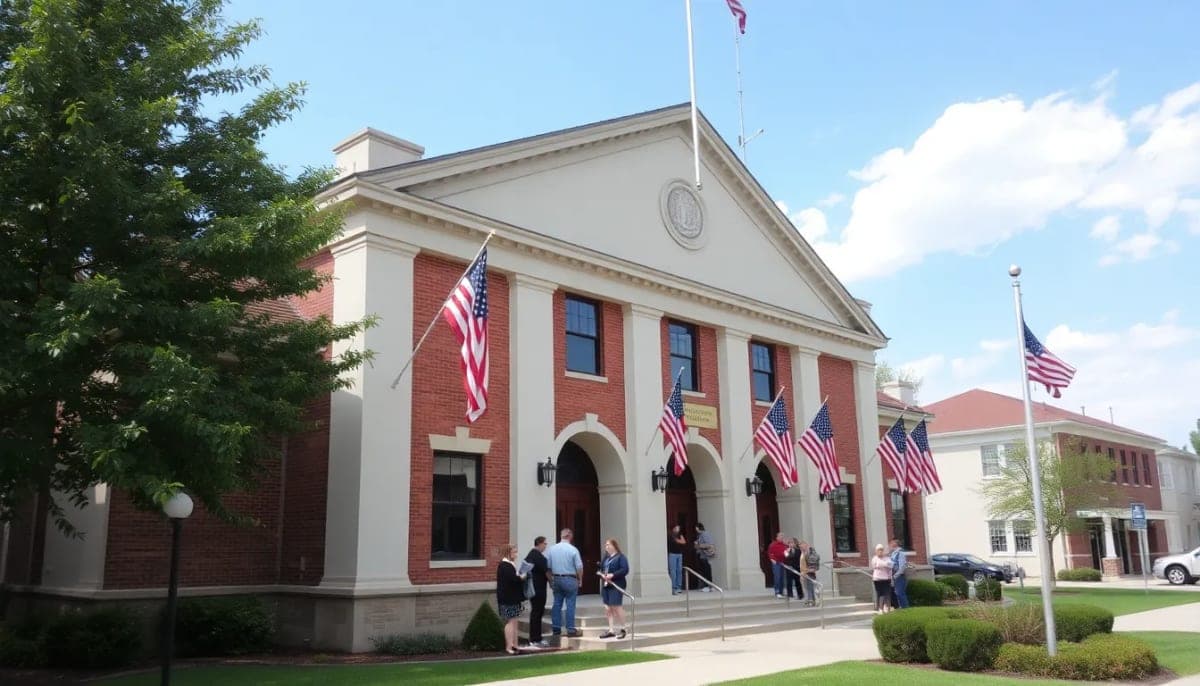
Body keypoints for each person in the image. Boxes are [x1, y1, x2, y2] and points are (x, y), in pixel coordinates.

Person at [546, 528, 583, 638]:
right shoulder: (573, 549)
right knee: (570, 604)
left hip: (556, 578)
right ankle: (570, 629)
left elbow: (547, 568)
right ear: (570, 536)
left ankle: (556, 628)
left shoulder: (552, 549)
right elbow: (579, 567)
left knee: (557, 604)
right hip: (570, 578)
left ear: (561, 536)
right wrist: (580, 579)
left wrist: (550, 580)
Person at [496, 543, 529, 655]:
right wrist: (522, 577)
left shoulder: (510, 565)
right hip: (507, 598)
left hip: (513, 597)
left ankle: (515, 644)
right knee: (510, 621)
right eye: (514, 552)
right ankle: (509, 646)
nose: (516, 554)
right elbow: (513, 580)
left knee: (515, 621)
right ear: (508, 553)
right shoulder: (505, 565)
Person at [598, 538, 630, 639]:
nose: (606, 546)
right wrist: (602, 574)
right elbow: (602, 569)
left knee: (616, 606)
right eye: (606, 545)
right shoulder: (606, 558)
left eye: (608, 544)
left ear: (614, 546)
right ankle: (611, 630)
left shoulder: (621, 557)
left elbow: (625, 569)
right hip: (606, 584)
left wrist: (613, 575)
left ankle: (624, 628)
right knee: (607, 607)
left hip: (616, 584)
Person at [524, 536, 550, 647]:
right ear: (539, 543)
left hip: (532, 589)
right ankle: (535, 639)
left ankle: (536, 637)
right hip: (538, 589)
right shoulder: (538, 556)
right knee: (537, 613)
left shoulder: (530, 555)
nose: (546, 546)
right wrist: (552, 583)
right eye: (545, 544)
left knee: (536, 612)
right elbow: (547, 571)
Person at [870, 543, 894, 613]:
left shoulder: (887, 558)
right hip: (877, 579)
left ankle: (887, 608)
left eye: (881, 550)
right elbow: (874, 566)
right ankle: (880, 608)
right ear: (876, 551)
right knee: (880, 594)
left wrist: (883, 565)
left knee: (887, 593)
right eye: (878, 550)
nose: (880, 551)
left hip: (886, 578)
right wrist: (885, 564)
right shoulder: (874, 558)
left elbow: (891, 565)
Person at [693, 523, 716, 591]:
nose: (695, 529)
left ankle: (709, 586)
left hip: (706, 556)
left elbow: (709, 544)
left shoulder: (705, 534)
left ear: (698, 528)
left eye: (696, 527)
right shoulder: (700, 535)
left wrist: (699, 545)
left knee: (707, 571)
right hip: (702, 556)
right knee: (703, 572)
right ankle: (705, 586)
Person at [888, 539, 909, 609]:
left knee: (900, 593)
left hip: (899, 577)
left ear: (895, 544)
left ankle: (906, 609)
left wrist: (895, 576)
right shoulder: (893, 553)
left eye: (891, 543)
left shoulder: (901, 553)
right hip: (893, 576)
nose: (889, 545)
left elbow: (902, 567)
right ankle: (900, 608)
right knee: (895, 594)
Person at [767, 532, 789, 599]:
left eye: (783, 536)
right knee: (777, 577)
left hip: (783, 563)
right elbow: (770, 553)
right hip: (776, 563)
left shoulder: (785, 545)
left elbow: (786, 554)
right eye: (780, 536)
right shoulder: (773, 544)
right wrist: (772, 559)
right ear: (777, 537)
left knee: (782, 577)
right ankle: (777, 592)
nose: (782, 537)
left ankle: (781, 592)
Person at [800, 541, 820, 607]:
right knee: (806, 588)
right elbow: (802, 564)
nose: (801, 548)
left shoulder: (810, 552)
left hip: (809, 573)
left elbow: (814, 563)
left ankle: (812, 601)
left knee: (811, 587)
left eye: (802, 547)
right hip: (803, 573)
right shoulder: (803, 553)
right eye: (800, 547)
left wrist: (809, 570)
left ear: (806, 545)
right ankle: (809, 601)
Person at [667, 525, 686, 594]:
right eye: (676, 528)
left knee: (679, 570)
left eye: (678, 528)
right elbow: (678, 541)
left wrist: (678, 540)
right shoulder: (670, 535)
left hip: (679, 554)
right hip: (672, 554)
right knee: (673, 571)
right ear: (673, 528)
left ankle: (679, 587)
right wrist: (679, 541)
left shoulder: (680, 535)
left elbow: (684, 542)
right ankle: (673, 587)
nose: (678, 529)